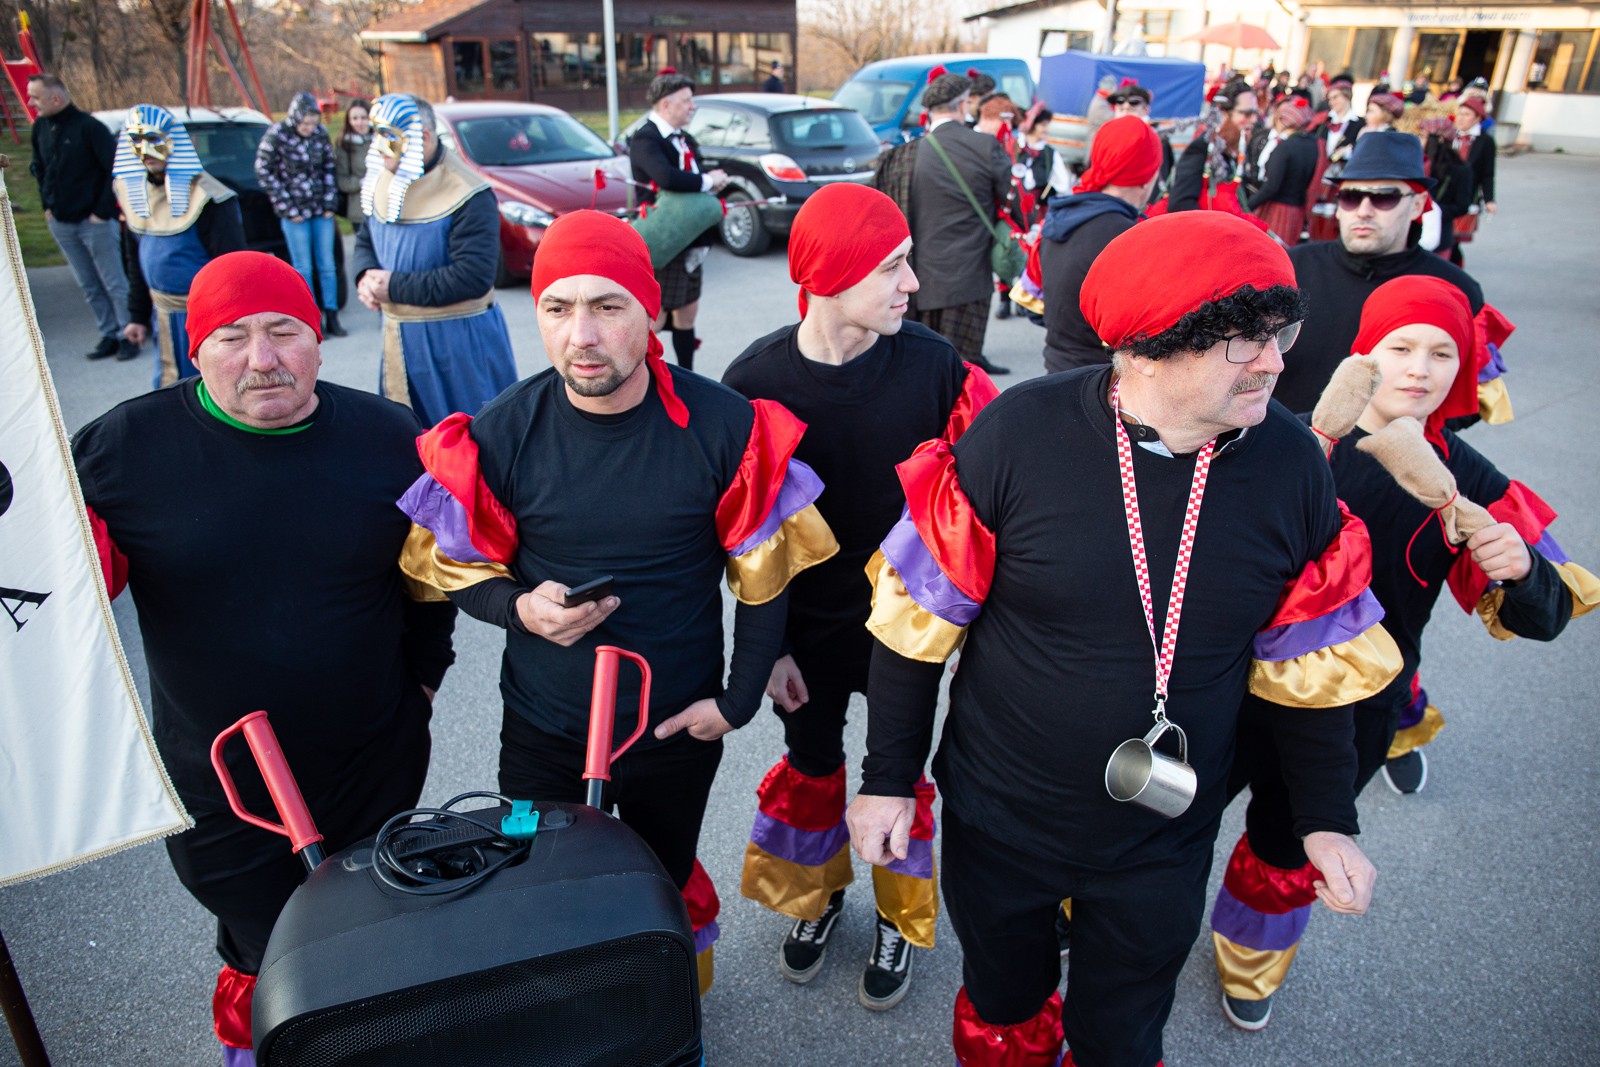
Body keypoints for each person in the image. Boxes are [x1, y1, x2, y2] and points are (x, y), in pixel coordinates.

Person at [847, 211, 1398, 1067]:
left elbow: (1309, 665)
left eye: (1280, 334)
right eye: (1244, 342)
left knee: (1123, 1029)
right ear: (1146, 350)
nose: (1276, 362)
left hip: (1164, 833)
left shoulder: (1292, 466)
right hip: (1002, 817)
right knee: (1005, 998)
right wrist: (887, 779)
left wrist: (1326, 820)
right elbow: (914, 629)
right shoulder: (1016, 436)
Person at [395, 209, 838, 992]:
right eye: (558, 308)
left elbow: (765, 580)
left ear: (650, 309)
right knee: (538, 881)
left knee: (662, 878)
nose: (583, 335)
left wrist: (735, 702)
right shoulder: (501, 433)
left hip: (675, 730)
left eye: (608, 306)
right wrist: (520, 608)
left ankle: (664, 1015)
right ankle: (579, 1021)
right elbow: (455, 568)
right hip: (542, 735)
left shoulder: (725, 427)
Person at [71, 250, 458, 1065]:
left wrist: (426, 679)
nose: (263, 358)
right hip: (222, 782)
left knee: (370, 922)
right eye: (232, 337)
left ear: (317, 339)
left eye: (284, 331)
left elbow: (430, 581)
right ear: (195, 347)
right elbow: (64, 594)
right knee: (269, 944)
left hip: (372, 759)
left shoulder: (392, 437)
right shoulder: (121, 451)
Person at [1211, 275, 1594, 1031]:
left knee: (1288, 843)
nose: (1419, 368)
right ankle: (1101, 913)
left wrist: (1522, 569)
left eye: (1442, 352)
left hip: (1356, 709)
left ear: (1466, 366)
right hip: (1234, 684)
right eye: (1401, 347)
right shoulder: (1287, 439)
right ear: (1365, 354)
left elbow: (1547, 614)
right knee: (1168, 811)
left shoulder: (1469, 482)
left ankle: (1248, 958)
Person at [722, 183, 998, 1012]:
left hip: (904, 640)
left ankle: (899, 915)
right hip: (805, 635)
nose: (912, 282)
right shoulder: (755, 379)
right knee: (812, 763)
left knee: (896, 774)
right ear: (831, 274)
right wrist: (768, 648)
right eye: (891, 266)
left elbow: (978, 512)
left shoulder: (935, 367)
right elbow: (745, 534)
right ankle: (816, 894)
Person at [1273, 130, 1483, 414]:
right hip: (1280, 437)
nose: (1364, 211)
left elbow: (1469, 399)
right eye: (1350, 196)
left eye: (1384, 197)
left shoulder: (1455, 289)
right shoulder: (1289, 268)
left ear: (1417, 205)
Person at [353, 93, 518, 426]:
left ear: (424, 137)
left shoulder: (468, 193)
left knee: (469, 438)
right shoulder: (384, 180)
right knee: (407, 435)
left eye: (389, 136)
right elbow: (366, 238)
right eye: (376, 133)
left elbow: (472, 277)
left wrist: (393, 287)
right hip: (400, 340)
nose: (379, 146)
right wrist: (365, 275)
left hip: (458, 345)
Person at [112, 104, 247, 390]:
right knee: (169, 391)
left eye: (153, 138)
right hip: (162, 315)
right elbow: (137, 260)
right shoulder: (136, 196)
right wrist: (137, 316)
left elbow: (233, 270)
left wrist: (232, 328)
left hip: (207, 319)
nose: (145, 149)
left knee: (212, 392)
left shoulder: (210, 198)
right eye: (136, 139)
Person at [1038, 115, 1163, 373]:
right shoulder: (1127, 235)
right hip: (1102, 378)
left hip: (1057, 367)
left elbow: (1038, 305)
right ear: (1146, 176)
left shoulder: (1063, 214)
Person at [906, 72, 1012, 375]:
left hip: (922, 271)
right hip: (971, 271)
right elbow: (1011, 199)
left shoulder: (908, 153)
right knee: (964, 367)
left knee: (927, 358)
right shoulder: (985, 145)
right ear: (963, 104)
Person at [26, 73, 134, 361]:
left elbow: (115, 171)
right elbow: (39, 168)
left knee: (114, 282)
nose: (30, 102)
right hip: (61, 222)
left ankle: (128, 334)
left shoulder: (90, 128)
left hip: (94, 222)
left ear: (55, 98)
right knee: (88, 283)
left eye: (35, 97)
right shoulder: (40, 128)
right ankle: (109, 333)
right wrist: (47, 206)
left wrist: (101, 212)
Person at [628, 71, 730, 371]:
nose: (692, 106)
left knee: (687, 314)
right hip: (665, 239)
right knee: (655, 317)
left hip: (692, 239)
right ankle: (642, 377)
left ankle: (687, 378)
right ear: (665, 104)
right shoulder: (645, 139)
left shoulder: (685, 139)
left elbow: (695, 180)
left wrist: (712, 182)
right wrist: (708, 181)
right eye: (686, 101)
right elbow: (667, 178)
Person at [255, 92, 345, 338]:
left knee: (327, 265)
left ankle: (332, 315)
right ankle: (311, 318)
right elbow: (263, 170)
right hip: (294, 214)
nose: (309, 128)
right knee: (303, 267)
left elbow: (329, 167)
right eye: (305, 124)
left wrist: (330, 202)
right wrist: (286, 206)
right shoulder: (277, 135)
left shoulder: (320, 134)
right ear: (295, 118)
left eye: (313, 123)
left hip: (321, 211)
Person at [1170, 80, 1259, 213]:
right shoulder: (1202, 148)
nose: (1253, 120)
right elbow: (1180, 203)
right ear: (1223, 113)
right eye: (1247, 113)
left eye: (1255, 113)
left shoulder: (1235, 148)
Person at [1247, 99, 1318, 247]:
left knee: (1270, 251)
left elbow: (1272, 186)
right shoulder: (1315, 145)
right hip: (1297, 213)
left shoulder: (1285, 147)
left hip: (1278, 212)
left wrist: (1247, 205)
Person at [1108, 82, 1174, 194]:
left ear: (1146, 110)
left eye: (1131, 110)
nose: (1125, 115)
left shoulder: (1156, 139)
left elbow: (1160, 182)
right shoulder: (1108, 136)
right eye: (1121, 110)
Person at [335, 97, 372, 237]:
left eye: (363, 118)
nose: (359, 123)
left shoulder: (381, 140)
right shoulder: (345, 144)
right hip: (360, 209)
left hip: (385, 206)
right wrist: (361, 182)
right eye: (355, 118)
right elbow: (342, 180)